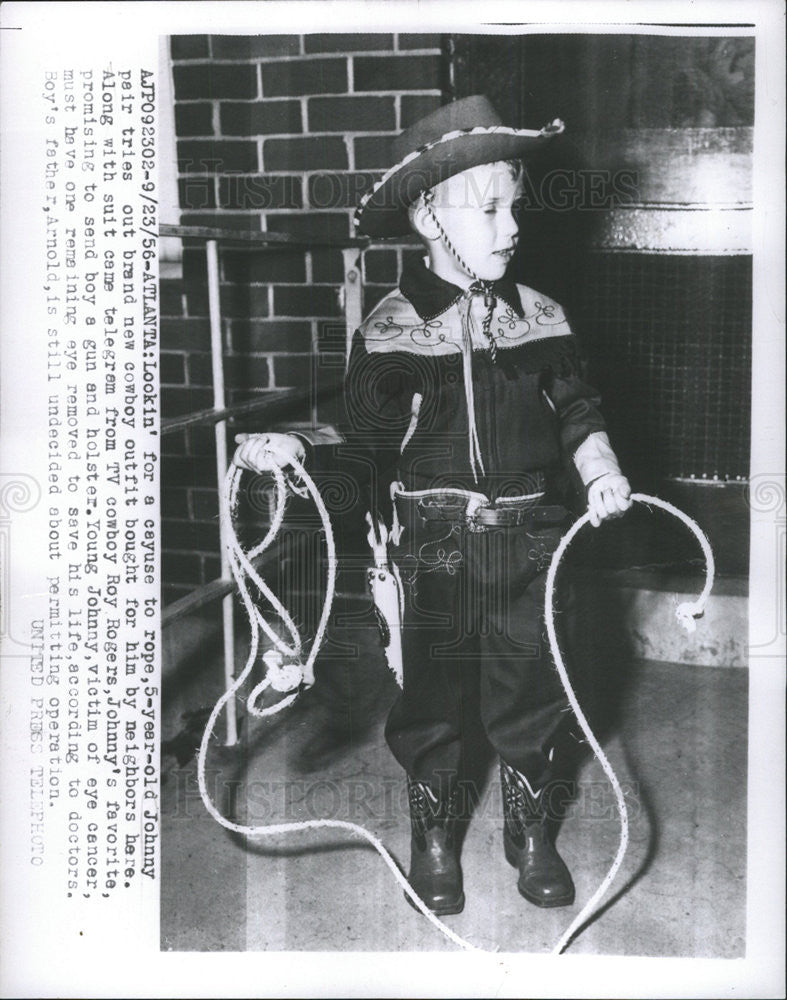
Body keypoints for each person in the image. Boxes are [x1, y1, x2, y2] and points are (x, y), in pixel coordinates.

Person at [233, 95, 632, 916]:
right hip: (433, 548)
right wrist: (298, 451)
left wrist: (599, 470)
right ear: (426, 217)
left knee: (533, 687)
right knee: (434, 699)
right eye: (488, 209)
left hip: (532, 541)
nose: (511, 225)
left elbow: (578, 409)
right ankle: (435, 832)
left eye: (513, 206)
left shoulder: (543, 317)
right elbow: (367, 448)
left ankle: (529, 829)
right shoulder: (392, 330)